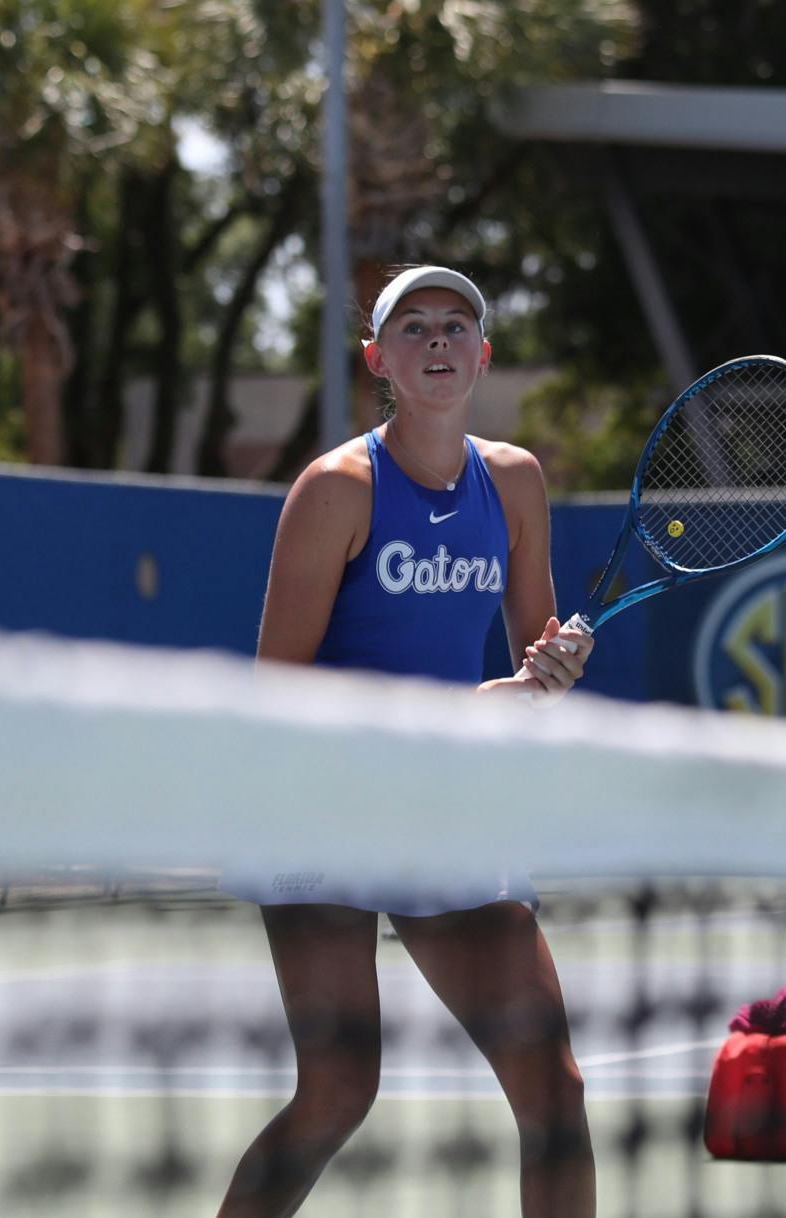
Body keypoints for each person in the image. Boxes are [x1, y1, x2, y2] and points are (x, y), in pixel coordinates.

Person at [217, 266, 597, 1218]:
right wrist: (473, 708)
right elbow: (280, 695)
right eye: (415, 327)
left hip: (445, 812)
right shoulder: (336, 489)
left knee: (555, 1093)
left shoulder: (514, 481)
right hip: (319, 810)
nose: (439, 341)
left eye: (457, 325)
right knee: (339, 1092)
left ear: (483, 353)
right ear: (377, 359)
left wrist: (551, 670)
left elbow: (529, 660)